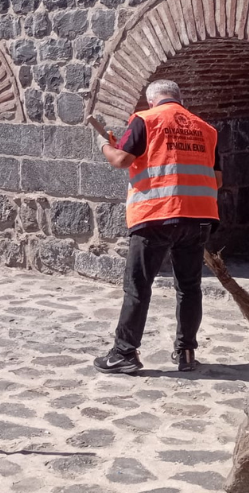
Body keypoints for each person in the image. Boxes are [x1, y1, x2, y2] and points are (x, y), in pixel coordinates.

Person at [92, 79, 222, 375]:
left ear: (152, 101)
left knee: (138, 286)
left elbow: (122, 160)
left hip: (155, 215)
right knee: (189, 287)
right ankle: (186, 352)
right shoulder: (206, 129)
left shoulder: (144, 120)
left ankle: (124, 353)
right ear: (178, 98)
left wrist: (104, 145)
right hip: (198, 216)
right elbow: (217, 180)